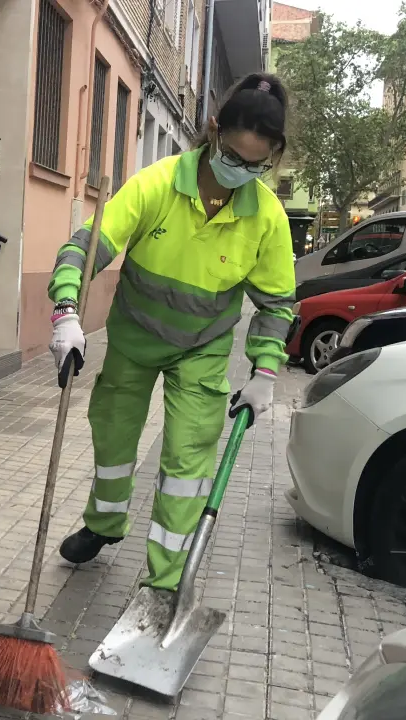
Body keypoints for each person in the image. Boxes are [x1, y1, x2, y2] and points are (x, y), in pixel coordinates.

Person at [48, 73, 296, 591]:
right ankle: (104, 524)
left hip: (202, 351)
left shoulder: (267, 217)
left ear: (271, 158)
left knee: (187, 463)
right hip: (133, 340)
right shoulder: (157, 184)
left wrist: (265, 372)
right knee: (113, 437)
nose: (241, 171)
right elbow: (85, 248)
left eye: (256, 165)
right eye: (234, 156)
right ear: (214, 131)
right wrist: (66, 311)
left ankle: (164, 582)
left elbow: (276, 303)